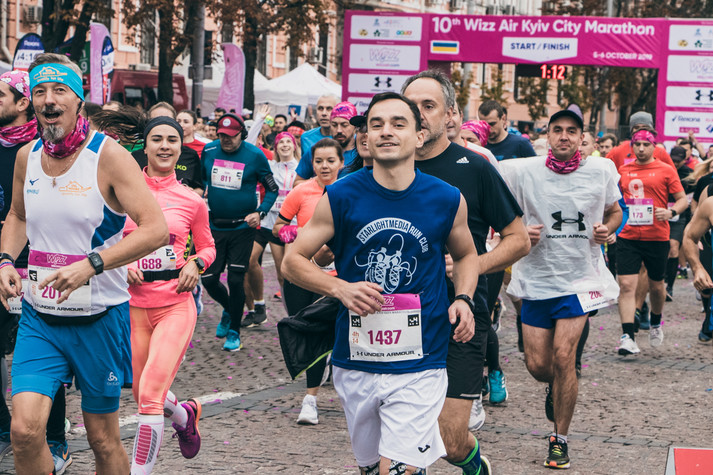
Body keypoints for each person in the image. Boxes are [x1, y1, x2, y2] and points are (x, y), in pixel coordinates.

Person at [282, 91, 481, 475]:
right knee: (372, 467)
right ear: (367, 138)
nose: (386, 131)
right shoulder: (341, 196)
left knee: (400, 468)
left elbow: (467, 255)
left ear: (419, 137)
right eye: (377, 125)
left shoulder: (446, 198)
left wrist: (464, 298)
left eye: (398, 124)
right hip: (357, 357)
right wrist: (340, 288)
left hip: (422, 359)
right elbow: (293, 261)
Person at [0, 52, 168, 475]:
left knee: (102, 439)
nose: (49, 100)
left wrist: (91, 265)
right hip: (40, 317)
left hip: (99, 319)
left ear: (78, 99)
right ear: (31, 102)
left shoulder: (108, 156)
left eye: (59, 90)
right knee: (24, 431)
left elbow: (155, 230)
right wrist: (5, 260)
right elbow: (18, 215)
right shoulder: (26, 156)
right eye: (40, 91)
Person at [403, 70, 529, 475]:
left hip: (460, 317)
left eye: (429, 106)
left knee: (451, 439)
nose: (419, 115)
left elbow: (518, 240)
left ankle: (474, 464)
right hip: (396, 318)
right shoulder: (383, 167)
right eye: (412, 106)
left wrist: (469, 264)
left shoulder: (474, 168)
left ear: (450, 114)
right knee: (400, 433)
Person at [499, 109, 622, 469]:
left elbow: (614, 211)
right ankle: (556, 385)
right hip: (537, 279)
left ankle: (559, 440)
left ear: (582, 137)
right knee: (539, 365)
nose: (564, 136)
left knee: (565, 356)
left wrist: (608, 229)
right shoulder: (523, 171)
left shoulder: (600, 170)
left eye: (571, 130)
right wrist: (520, 232)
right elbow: (502, 212)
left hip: (579, 279)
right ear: (548, 136)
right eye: (557, 130)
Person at [124, 117, 215, 474]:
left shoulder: (192, 200)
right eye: (157, 139)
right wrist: (120, 265)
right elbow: (103, 241)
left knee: (149, 397)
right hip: (133, 306)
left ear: (180, 148)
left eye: (172, 140)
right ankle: (185, 415)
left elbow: (207, 247)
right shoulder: (122, 194)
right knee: (141, 392)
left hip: (175, 304)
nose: (164, 146)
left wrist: (197, 263)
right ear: (144, 147)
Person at [273, 138, 344, 425]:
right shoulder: (301, 192)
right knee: (308, 332)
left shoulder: (350, 191)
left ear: (341, 163)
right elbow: (278, 226)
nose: (324, 166)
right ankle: (310, 400)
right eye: (319, 161)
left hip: (339, 278)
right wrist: (293, 234)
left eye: (330, 161)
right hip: (303, 273)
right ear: (311, 163)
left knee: (339, 335)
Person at [201, 113, 278, 351]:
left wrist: (260, 212)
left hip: (242, 227)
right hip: (215, 226)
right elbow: (200, 181)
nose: (226, 140)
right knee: (209, 278)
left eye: (231, 136)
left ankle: (234, 331)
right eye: (222, 135)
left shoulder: (255, 155)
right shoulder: (209, 151)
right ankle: (230, 308)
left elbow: (272, 189)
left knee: (236, 280)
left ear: (242, 135)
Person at [616, 128, 687, 355]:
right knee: (626, 285)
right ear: (632, 147)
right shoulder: (623, 170)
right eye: (637, 144)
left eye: (646, 145)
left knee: (656, 286)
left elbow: (683, 199)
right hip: (628, 236)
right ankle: (628, 336)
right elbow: (614, 201)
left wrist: (671, 212)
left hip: (656, 236)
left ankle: (656, 321)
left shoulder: (666, 169)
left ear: (654, 146)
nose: (641, 149)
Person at [242, 131, 299, 328]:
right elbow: (248, 145)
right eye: (280, 142)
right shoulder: (269, 166)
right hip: (266, 222)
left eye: (288, 142)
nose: (285, 145)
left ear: (294, 146)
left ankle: (293, 316)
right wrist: (258, 120)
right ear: (275, 147)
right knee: (250, 261)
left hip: (289, 226)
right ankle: (259, 307)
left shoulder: (301, 168)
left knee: (284, 275)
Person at [295, 102, 359, 181]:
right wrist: (318, 182)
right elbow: (297, 182)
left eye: (344, 125)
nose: (339, 130)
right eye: (334, 125)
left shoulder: (362, 154)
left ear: (355, 127)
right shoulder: (316, 151)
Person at [665, 146, 694, 301]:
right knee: (662, 248)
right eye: (673, 160)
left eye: (678, 161)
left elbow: (693, 197)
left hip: (679, 216)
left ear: (685, 160)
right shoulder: (664, 169)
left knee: (673, 247)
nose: (675, 164)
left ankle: (669, 286)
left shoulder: (689, 174)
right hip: (661, 213)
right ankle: (660, 280)